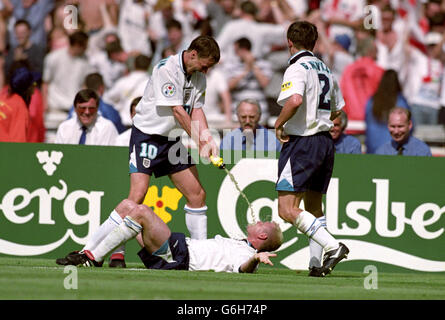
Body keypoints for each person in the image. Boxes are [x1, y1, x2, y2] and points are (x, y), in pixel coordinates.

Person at [57, 35, 221, 267]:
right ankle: (92, 251)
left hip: (171, 140)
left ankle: (203, 257)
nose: (207, 70)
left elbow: (196, 110)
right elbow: (178, 111)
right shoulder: (167, 69)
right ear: (193, 54)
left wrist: (206, 137)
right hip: (147, 137)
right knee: (137, 198)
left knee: (197, 195)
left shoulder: (199, 76)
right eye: (205, 64)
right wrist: (199, 140)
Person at [274, 21, 349, 277]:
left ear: (289, 42)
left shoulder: (297, 67)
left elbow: (294, 100)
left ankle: (333, 247)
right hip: (326, 142)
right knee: (314, 207)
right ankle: (316, 265)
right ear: (315, 43)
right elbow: (338, 109)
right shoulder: (327, 69)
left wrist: (279, 122)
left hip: (303, 142)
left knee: (286, 209)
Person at [58, 200, 283, 273]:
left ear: (262, 235)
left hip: (178, 256)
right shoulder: (239, 243)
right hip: (177, 250)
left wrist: (255, 259)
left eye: (263, 222)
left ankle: (94, 258)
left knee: (142, 212)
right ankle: (87, 253)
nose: (258, 220)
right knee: (128, 205)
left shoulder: (246, 253)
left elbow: (243, 269)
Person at [224, 37, 273, 121]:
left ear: (242, 49)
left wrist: (252, 65)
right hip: (238, 115)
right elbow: (229, 86)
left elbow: (265, 83)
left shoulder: (264, 64)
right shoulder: (231, 65)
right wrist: (246, 71)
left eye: (236, 51)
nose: (235, 54)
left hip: (260, 114)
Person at [365, 69, 411, 154]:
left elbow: (367, 122)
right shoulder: (400, 102)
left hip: (373, 148)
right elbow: (410, 126)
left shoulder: (372, 101)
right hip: (393, 150)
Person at [0, 67, 35, 142]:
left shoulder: (2, 97)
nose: (34, 91)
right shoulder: (20, 107)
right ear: (28, 89)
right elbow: (17, 144)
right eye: (34, 84)